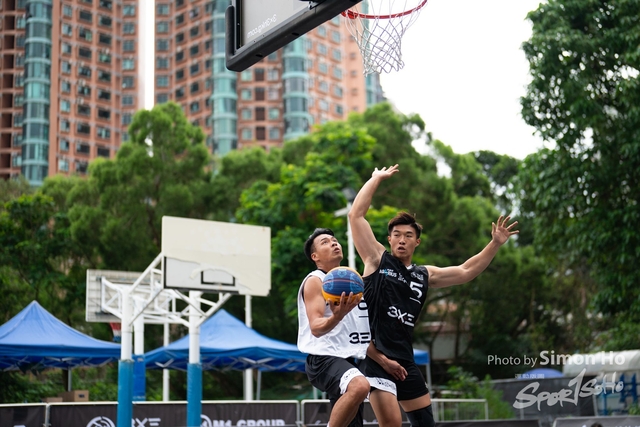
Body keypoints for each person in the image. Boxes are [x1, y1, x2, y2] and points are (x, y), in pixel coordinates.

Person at [348, 164, 519, 427]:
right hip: (376, 358)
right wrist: (376, 179)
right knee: (391, 424)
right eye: (397, 235)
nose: (402, 239)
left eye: (408, 235)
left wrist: (494, 243)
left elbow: (466, 271)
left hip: (405, 360)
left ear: (417, 242)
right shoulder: (376, 259)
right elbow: (356, 216)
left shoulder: (424, 274)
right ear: (389, 240)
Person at [297, 228, 405, 427]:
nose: (334, 243)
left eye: (334, 240)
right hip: (323, 358)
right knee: (360, 385)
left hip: (348, 360)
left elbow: (358, 338)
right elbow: (316, 327)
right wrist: (337, 316)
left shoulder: (352, 285)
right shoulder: (315, 280)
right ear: (315, 256)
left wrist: (384, 361)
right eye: (325, 242)